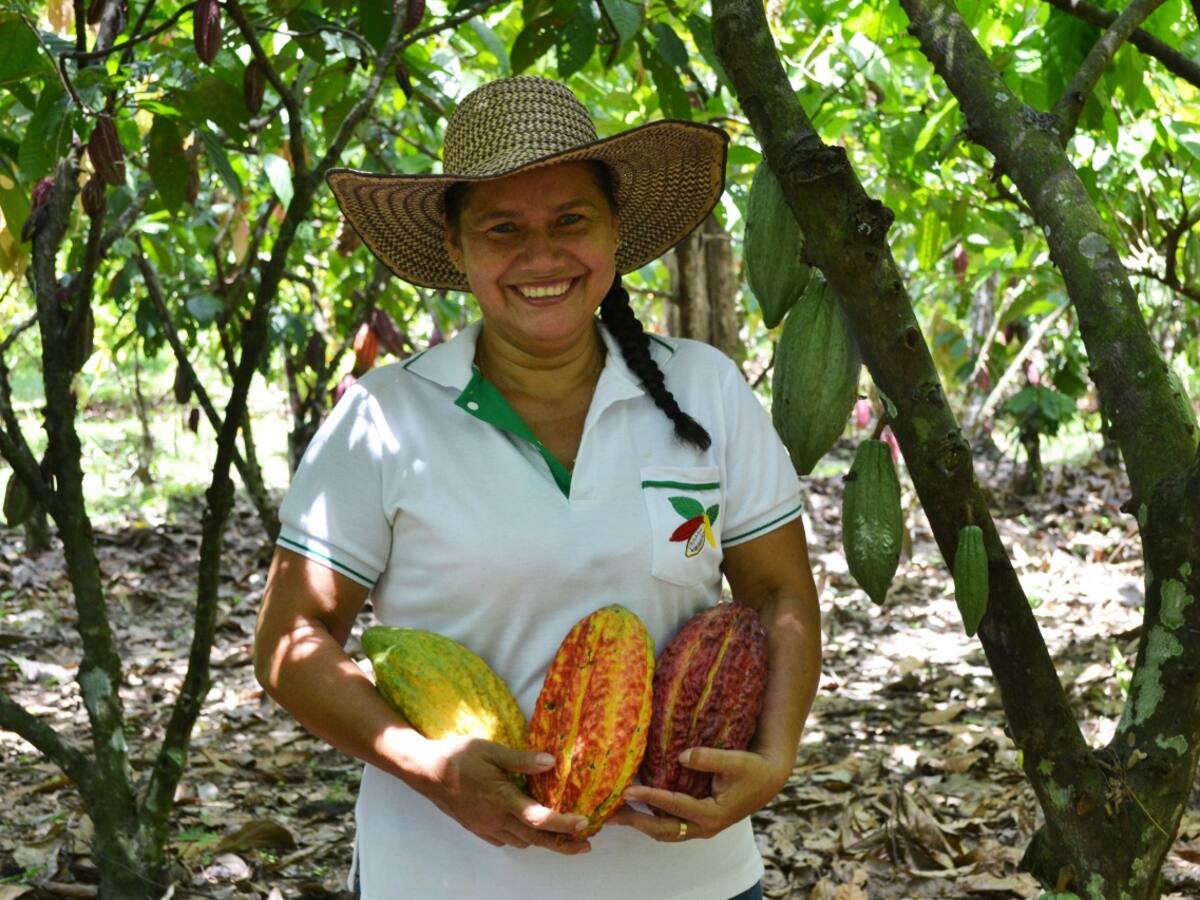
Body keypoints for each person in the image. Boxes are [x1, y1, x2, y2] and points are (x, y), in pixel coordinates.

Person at [254, 75, 822, 900]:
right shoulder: (386, 417)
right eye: (502, 229)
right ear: (455, 248)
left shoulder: (706, 391)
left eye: (570, 222)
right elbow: (292, 641)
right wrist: (430, 767)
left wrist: (775, 755)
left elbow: (779, 595)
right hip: (446, 877)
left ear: (616, 233)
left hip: (689, 878)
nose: (541, 256)